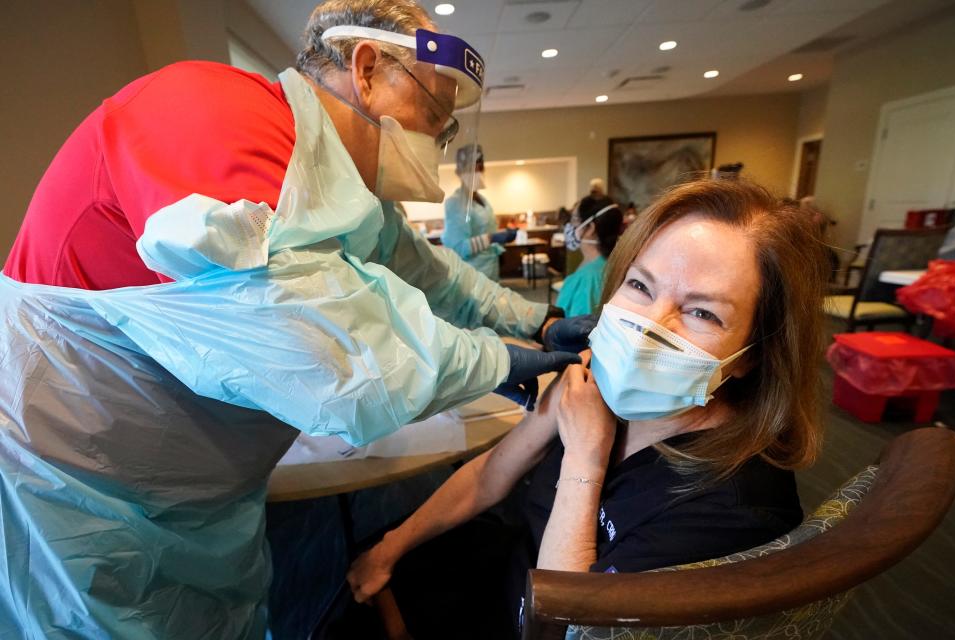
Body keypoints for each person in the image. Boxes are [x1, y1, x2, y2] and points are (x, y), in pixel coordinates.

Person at [0, 1, 584, 637]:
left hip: (204, 488)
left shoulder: (335, 183)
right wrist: (497, 360)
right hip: (83, 489)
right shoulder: (212, 118)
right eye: (436, 118)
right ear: (367, 69)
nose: (437, 145)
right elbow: (337, 359)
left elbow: (429, 272)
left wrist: (540, 321)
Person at [346, 178, 828, 639]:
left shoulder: (734, 514)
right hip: (500, 580)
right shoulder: (594, 377)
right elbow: (492, 472)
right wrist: (392, 548)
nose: (646, 329)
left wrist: (584, 458)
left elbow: (568, 626)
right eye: (640, 286)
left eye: (703, 312)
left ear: (755, 354)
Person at [442, 143, 515, 280]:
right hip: (472, 275)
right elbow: (458, 248)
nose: (477, 172)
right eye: (471, 168)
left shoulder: (483, 200)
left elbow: (484, 231)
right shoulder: (456, 203)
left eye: (480, 167)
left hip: (490, 271)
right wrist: (492, 238)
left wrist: (500, 239)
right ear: (460, 172)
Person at [556, 196, 623, 316]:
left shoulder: (587, 280)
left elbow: (577, 330)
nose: (569, 226)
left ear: (590, 228)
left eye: (574, 220)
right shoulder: (613, 263)